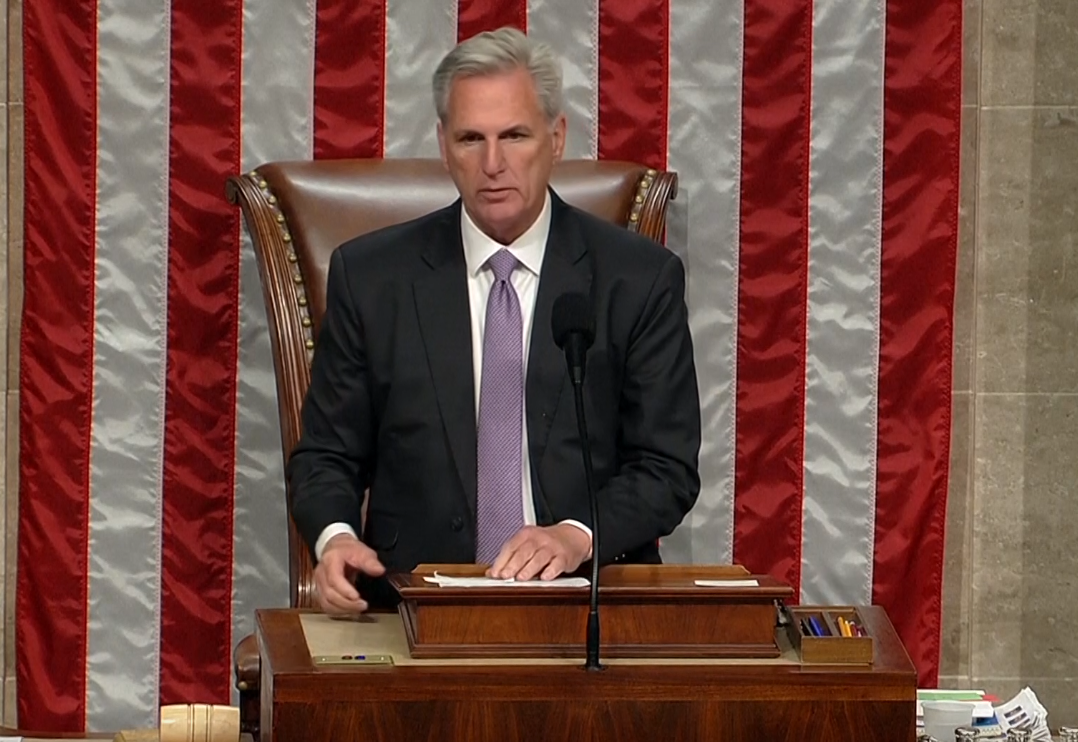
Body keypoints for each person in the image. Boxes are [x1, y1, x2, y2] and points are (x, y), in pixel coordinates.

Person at [287, 26, 702, 615]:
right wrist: (336, 538)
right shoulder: (373, 278)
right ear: (443, 144)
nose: (492, 163)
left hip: (586, 605)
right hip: (414, 608)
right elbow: (326, 454)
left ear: (556, 138)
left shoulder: (636, 279)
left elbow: (666, 467)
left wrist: (576, 535)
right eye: (470, 138)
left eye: (514, 135)